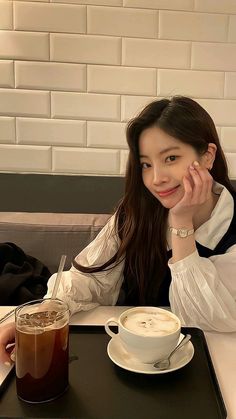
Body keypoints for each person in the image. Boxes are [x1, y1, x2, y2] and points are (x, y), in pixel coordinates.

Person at [1, 96, 236, 365]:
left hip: (212, 366)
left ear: (207, 156)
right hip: (134, 358)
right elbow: (91, 279)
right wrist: (40, 317)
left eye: (171, 157)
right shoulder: (137, 212)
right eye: (146, 164)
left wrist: (182, 223)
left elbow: (199, 320)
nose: (156, 178)